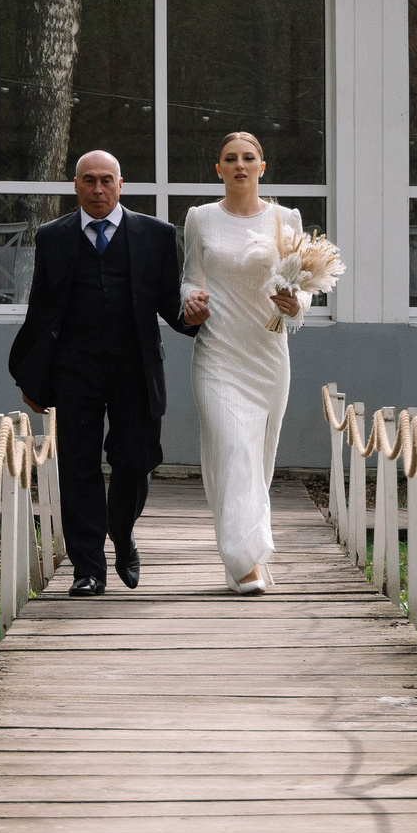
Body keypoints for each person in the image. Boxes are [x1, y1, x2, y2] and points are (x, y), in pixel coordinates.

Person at [9, 150, 207, 597]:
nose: (98, 189)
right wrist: (31, 377)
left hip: (136, 368)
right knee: (78, 466)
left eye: (106, 180)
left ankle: (123, 532)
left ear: (121, 184)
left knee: (136, 462)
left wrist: (191, 315)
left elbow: (171, 307)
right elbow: (40, 311)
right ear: (75, 185)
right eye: (88, 181)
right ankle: (88, 567)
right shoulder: (53, 236)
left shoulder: (156, 234)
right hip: (74, 370)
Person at [177, 132, 307, 592]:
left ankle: (248, 548)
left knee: (258, 462)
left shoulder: (286, 218)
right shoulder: (201, 218)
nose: (239, 165)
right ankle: (244, 563)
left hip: (268, 355)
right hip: (217, 354)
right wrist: (190, 299)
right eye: (230, 159)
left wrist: (297, 305)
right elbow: (190, 277)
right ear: (218, 169)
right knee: (232, 451)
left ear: (261, 166)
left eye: (248, 158)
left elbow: (302, 283)